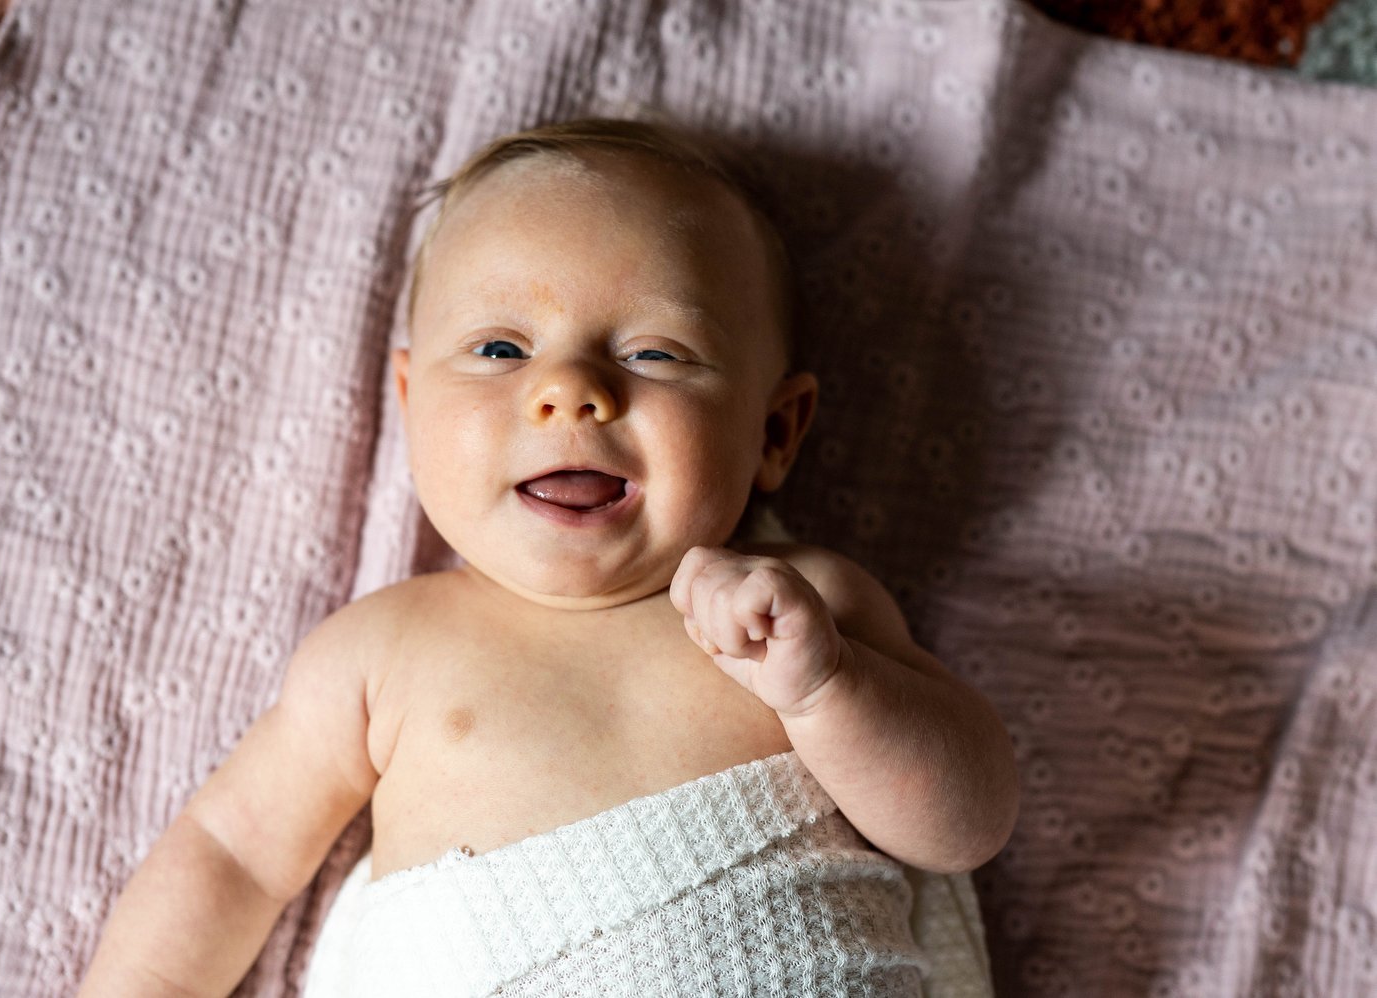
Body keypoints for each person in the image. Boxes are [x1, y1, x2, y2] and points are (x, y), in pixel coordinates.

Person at [78, 117, 1019, 997]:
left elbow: (964, 829)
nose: (570, 390)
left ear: (774, 431)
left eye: (655, 353)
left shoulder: (807, 610)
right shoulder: (382, 652)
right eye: (499, 349)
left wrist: (829, 691)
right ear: (409, 403)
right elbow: (232, 854)